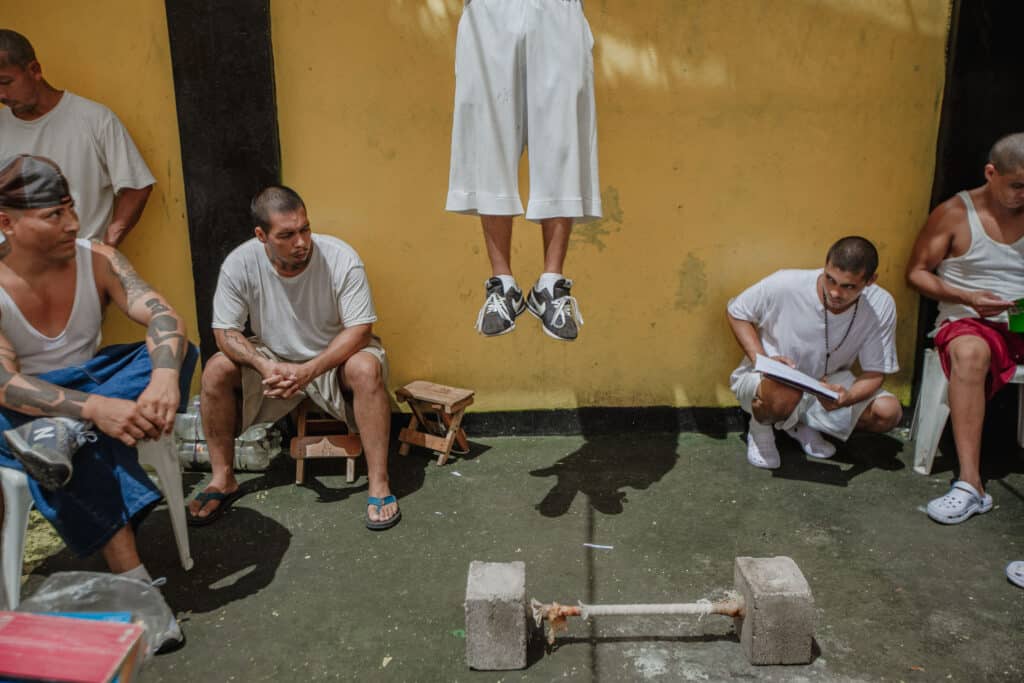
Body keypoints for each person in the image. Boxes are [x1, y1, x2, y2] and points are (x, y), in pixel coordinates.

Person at [0, 154, 196, 585]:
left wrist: (163, 378)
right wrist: (94, 410)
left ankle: (67, 431)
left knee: (175, 351)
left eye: (71, 208)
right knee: (64, 435)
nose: (72, 223)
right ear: (7, 223)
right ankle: (135, 583)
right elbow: (4, 384)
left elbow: (163, 316)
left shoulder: (97, 258)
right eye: (54, 214)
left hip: (96, 387)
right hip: (24, 412)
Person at [189, 186, 399, 530]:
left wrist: (308, 370)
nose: (301, 241)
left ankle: (379, 482)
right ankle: (223, 478)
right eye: (287, 235)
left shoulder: (341, 258)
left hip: (332, 357)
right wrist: (264, 365)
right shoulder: (240, 264)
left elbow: (360, 329)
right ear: (262, 236)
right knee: (215, 370)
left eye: (305, 229)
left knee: (366, 367)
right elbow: (224, 332)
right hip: (272, 358)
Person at [446, 0, 600, 341]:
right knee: (490, 139)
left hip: (557, 9)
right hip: (490, 10)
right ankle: (503, 285)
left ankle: (551, 285)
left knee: (562, 141)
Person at [906, 132, 1024, 524]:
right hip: (970, 320)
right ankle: (971, 484)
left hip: (1020, 320)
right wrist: (970, 298)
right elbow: (917, 274)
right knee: (970, 354)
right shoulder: (956, 213)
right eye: (1017, 185)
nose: (1023, 193)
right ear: (991, 173)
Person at [727, 237, 902, 469]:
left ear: (870, 281)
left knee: (888, 412)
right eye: (830, 279)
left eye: (848, 286)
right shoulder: (786, 283)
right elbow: (737, 312)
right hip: (768, 382)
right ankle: (760, 429)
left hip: (825, 384)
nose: (835, 292)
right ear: (825, 265)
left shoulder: (881, 304)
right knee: (783, 389)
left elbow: (875, 372)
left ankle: (799, 423)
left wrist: (847, 399)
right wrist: (763, 360)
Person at [0, 29, 154, 246]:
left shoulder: (94, 119)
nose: (1, 95)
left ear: (34, 70)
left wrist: (107, 246)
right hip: (15, 271)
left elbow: (137, 186)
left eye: (6, 82)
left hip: (81, 268)